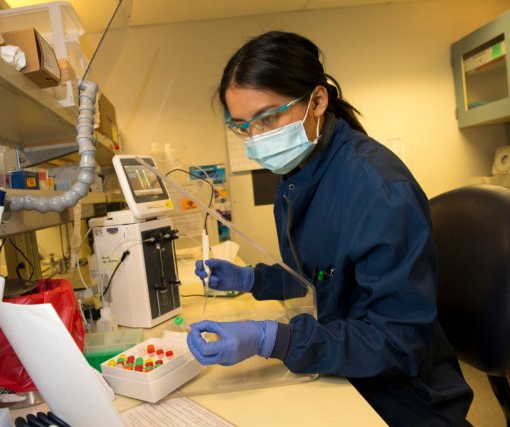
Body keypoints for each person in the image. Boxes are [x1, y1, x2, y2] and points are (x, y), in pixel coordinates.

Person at [188, 31, 473, 426]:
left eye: (268, 119)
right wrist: (253, 279)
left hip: (405, 398)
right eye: (243, 126)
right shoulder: (298, 173)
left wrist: (276, 339)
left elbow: (400, 343)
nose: (256, 138)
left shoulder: (378, 189)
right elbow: (321, 279)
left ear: (318, 101)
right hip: (345, 367)